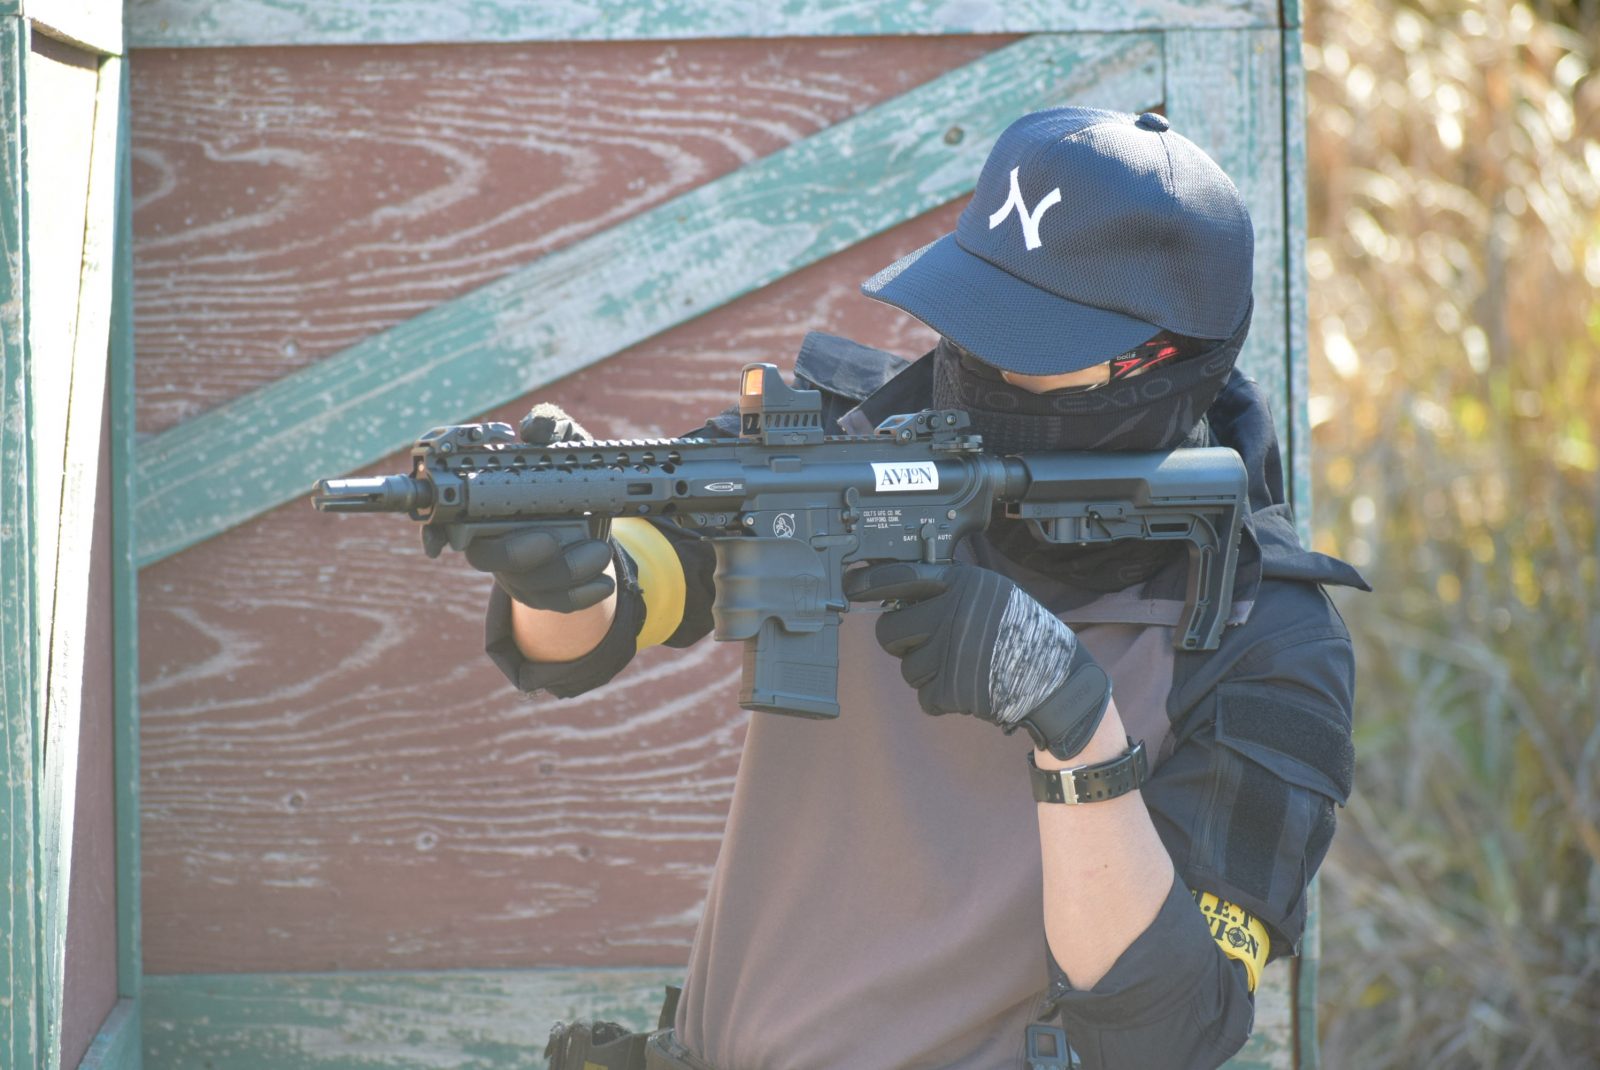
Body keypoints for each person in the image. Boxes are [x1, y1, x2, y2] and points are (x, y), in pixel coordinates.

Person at [471, 107, 1368, 1070]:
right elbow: (606, 615)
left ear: (1168, 361)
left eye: (1038, 344)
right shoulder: (835, 445)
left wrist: (1072, 720)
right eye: (974, 321)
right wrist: (559, 569)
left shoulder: (1267, 638)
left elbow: (1169, 1028)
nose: (987, 368)